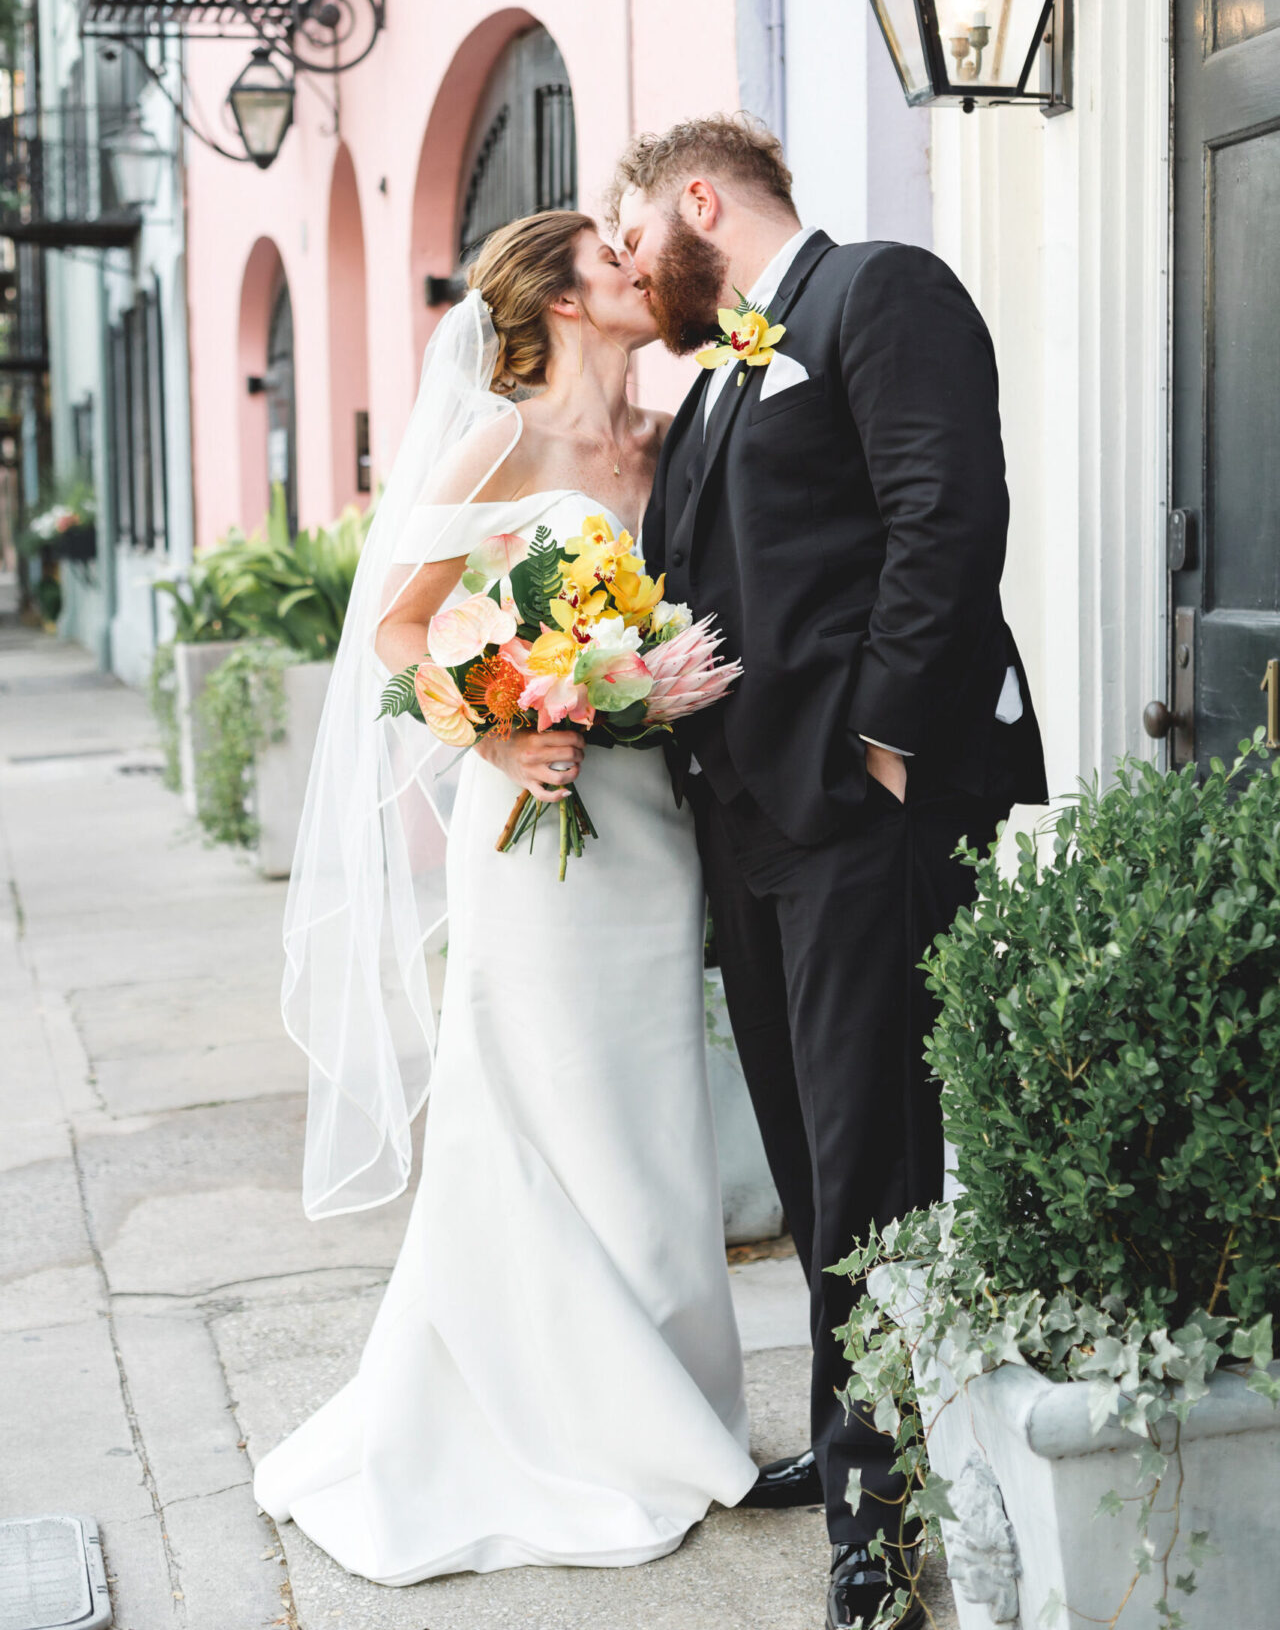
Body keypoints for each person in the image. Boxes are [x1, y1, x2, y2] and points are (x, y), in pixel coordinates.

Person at [253, 210, 759, 1582]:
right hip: (530, 817)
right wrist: (495, 726)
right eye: (605, 252)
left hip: (648, 825)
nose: (631, 264)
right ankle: (558, 1422)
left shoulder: (668, 444)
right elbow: (401, 631)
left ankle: (675, 1413)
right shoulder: (496, 436)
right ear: (556, 296)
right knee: (540, 1105)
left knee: (648, 1111)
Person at [612, 115, 1048, 1630]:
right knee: (812, 1167)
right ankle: (863, 1427)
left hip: (862, 816)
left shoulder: (878, 293)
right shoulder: (728, 367)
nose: (630, 264)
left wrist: (881, 746)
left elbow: (951, 519)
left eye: (635, 228)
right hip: (749, 831)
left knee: (874, 1162)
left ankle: (878, 1517)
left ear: (702, 199)